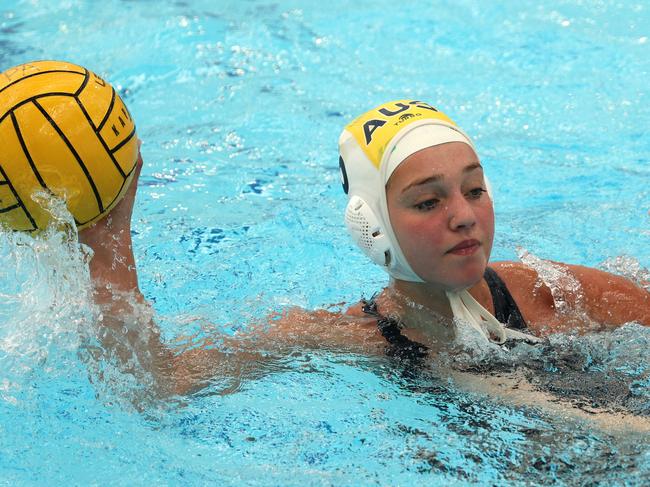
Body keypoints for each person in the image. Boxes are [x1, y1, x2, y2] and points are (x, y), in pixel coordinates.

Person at [78, 100, 650, 396]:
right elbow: (158, 387)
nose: (464, 216)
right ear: (369, 225)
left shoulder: (554, 292)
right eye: (427, 203)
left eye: (475, 190)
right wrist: (107, 248)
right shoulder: (346, 337)